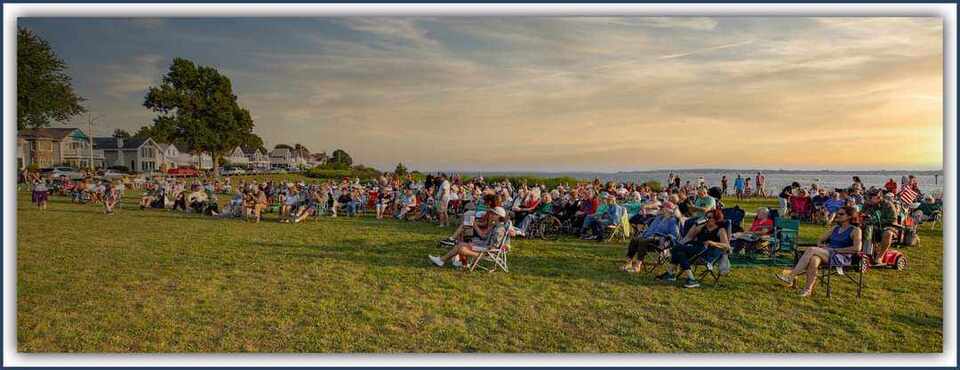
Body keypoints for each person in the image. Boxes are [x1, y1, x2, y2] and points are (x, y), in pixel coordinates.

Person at [775, 206, 862, 297]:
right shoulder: (835, 228)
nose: (837, 215)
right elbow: (820, 239)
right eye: (838, 213)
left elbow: (857, 248)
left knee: (811, 249)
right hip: (828, 253)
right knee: (814, 259)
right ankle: (807, 290)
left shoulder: (856, 230)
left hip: (841, 257)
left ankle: (791, 276)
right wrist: (821, 245)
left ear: (849, 216)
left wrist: (836, 250)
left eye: (841, 214)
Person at [656, 209, 730, 288]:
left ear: (716, 219)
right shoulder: (703, 227)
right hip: (697, 249)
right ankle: (691, 279)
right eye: (706, 217)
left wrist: (712, 243)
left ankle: (670, 274)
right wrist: (697, 226)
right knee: (679, 253)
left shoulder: (720, 230)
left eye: (709, 217)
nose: (707, 219)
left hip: (708, 252)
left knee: (676, 248)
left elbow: (726, 245)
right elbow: (689, 237)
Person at [428, 207, 511, 268]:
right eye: (491, 213)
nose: (491, 215)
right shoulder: (495, 226)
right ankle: (442, 260)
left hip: (487, 252)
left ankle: (443, 260)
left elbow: (492, 247)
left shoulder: (499, 229)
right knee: (461, 244)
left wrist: (476, 246)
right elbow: (484, 236)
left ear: (499, 216)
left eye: (493, 214)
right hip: (484, 247)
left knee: (462, 248)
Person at [622, 202, 680, 272]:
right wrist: (643, 235)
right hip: (650, 238)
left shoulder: (672, 221)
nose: (660, 209)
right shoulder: (658, 218)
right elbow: (649, 230)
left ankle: (637, 266)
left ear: (668, 209)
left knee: (643, 241)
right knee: (635, 240)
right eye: (660, 208)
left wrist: (663, 238)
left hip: (661, 241)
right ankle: (629, 263)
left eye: (662, 208)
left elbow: (675, 235)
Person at [862, 188, 898, 264]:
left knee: (888, 233)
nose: (868, 199)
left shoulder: (888, 205)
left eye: (870, 198)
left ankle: (880, 256)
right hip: (871, 227)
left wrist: (877, 221)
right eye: (868, 197)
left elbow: (893, 220)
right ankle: (861, 253)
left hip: (887, 227)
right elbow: (862, 215)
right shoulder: (867, 205)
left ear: (879, 197)